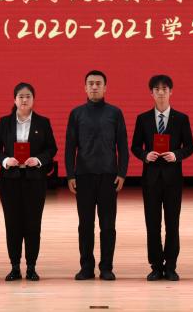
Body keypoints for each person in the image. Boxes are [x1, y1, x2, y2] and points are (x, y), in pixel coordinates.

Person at [0, 82, 58, 281]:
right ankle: (14, 267)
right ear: (14, 100)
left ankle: (31, 267)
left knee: (33, 224)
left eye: (28, 96)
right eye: (21, 96)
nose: (24, 100)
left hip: (34, 180)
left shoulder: (43, 122)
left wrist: (38, 160)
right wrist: (5, 160)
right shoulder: (5, 122)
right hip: (10, 180)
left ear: (33, 99)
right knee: (12, 224)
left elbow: (51, 149)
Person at [130, 74, 193, 281]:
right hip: (150, 179)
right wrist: (145, 155)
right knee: (152, 224)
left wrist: (176, 155)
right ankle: (156, 266)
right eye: (156, 89)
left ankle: (171, 266)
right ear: (151, 93)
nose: (160, 93)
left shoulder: (181, 119)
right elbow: (135, 147)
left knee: (172, 224)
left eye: (164, 89)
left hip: (173, 178)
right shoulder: (143, 119)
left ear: (171, 92)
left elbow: (190, 146)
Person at [65, 69, 128, 280]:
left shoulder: (115, 113)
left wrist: (122, 173)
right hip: (83, 176)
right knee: (85, 225)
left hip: (109, 176)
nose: (94, 87)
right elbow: (70, 147)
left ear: (105, 87)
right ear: (85, 87)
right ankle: (86, 267)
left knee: (108, 225)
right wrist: (70, 175)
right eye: (90, 83)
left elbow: (122, 146)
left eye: (98, 83)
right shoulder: (76, 114)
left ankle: (106, 267)